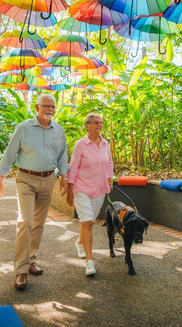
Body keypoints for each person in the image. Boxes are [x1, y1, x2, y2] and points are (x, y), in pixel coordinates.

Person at [0, 93, 68, 291]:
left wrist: (64, 177)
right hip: (26, 179)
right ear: (37, 107)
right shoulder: (24, 128)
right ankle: (20, 270)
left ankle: (31, 259)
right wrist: (0, 180)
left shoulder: (58, 130)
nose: (50, 109)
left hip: (48, 179)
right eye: (46, 106)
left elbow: (62, 156)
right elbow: (10, 153)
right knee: (25, 221)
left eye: (52, 106)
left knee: (38, 224)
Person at [67, 113, 113, 276]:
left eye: (101, 122)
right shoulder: (81, 144)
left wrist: (109, 179)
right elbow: (73, 167)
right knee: (86, 222)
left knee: (89, 222)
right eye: (95, 122)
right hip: (82, 188)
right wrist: (69, 190)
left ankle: (80, 242)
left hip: (99, 189)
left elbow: (109, 162)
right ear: (87, 126)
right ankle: (90, 261)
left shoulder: (105, 143)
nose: (99, 125)